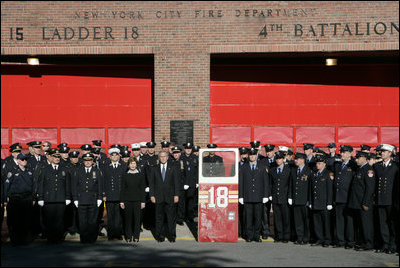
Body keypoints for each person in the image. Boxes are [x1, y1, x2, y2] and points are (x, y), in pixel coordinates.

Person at [37, 149, 71, 243]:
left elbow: (67, 184)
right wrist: (40, 197)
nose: (57, 159)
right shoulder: (44, 169)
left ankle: (59, 238)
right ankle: (51, 238)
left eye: (58, 157)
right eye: (55, 157)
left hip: (61, 198)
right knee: (49, 220)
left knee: (59, 220)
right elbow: (41, 184)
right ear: (51, 157)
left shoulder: (64, 169)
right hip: (49, 199)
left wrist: (67, 197)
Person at [71, 153, 104, 243]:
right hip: (81, 200)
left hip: (93, 200)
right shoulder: (78, 171)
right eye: (86, 160)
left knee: (92, 221)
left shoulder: (97, 171)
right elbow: (74, 186)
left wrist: (100, 198)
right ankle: (84, 239)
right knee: (82, 221)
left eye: (89, 160)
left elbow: (100, 186)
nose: (88, 162)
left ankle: (92, 238)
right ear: (83, 161)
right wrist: (75, 199)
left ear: (92, 161)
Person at [239, 148, 269, 242]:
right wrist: (241, 196)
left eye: (254, 155)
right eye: (250, 155)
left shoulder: (262, 167)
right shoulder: (244, 167)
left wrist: (265, 195)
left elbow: (265, 182)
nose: (252, 156)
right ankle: (249, 236)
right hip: (247, 196)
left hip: (258, 196)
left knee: (258, 218)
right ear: (248, 156)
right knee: (248, 218)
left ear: (256, 156)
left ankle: (256, 236)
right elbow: (241, 182)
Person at [4, 153, 35, 245]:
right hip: (16, 199)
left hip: (27, 199)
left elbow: (33, 186)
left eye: (25, 159)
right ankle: (15, 239)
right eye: (22, 159)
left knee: (26, 220)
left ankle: (25, 239)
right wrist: (5, 199)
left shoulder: (30, 172)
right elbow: (7, 186)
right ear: (17, 161)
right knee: (15, 220)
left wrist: (33, 198)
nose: (24, 161)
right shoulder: (12, 172)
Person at [149, 151, 180, 242]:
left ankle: (172, 236)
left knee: (171, 218)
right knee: (159, 218)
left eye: (164, 156)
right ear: (159, 158)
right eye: (161, 157)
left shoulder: (173, 168)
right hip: (158, 197)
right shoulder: (154, 168)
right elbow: (152, 183)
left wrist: (176, 195)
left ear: (167, 157)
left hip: (170, 197)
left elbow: (176, 183)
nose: (163, 158)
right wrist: (152, 195)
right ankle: (159, 236)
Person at [348, 151, 375, 251]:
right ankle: (363, 242)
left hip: (364, 203)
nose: (356, 160)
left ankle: (368, 243)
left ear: (364, 158)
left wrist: (366, 202)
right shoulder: (360, 169)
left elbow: (370, 188)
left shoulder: (368, 170)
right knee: (361, 224)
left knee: (366, 224)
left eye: (358, 158)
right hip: (357, 202)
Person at [374, 144, 398, 254]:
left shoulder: (395, 167)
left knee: (392, 224)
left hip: (391, 200)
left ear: (389, 153)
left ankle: (393, 245)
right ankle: (385, 244)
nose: (382, 153)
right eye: (381, 151)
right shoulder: (378, 166)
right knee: (382, 223)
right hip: (380, 199)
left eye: (384, 151)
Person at [333, 145, 357, 249]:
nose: (341, 154)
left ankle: (350, 241)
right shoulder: (338, 165)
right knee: (339, 220)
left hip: (348, 197)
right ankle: (340, 240)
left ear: (350, 153)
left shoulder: (353, 165)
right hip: (339, 197)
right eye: (341, 152)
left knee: (349, 221)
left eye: (344, 152)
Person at [101, 147, 126, 240]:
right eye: (112, 155)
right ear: (110, 157)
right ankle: (111, 234)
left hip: (120, 195)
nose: (114, 157)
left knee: (119, 217)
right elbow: (103, 182)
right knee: (110, 217)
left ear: (119, 156)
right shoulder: (106, 167)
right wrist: (103, 194)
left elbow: (125, 182)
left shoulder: (123, 166)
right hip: (109, 196)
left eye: (116, 155)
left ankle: (118, 234)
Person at [120, 157, 146, 243]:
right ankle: (128, 236)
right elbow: (122, 189)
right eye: (131, 163)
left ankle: (136, 236)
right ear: (128, 165)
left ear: (136, 164)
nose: (133, 165)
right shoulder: (125, 175)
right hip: (127, 200)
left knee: (137, 220)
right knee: (128, 219)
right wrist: (122, 201)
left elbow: (143, 189)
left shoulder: (140, 175)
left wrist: (143, 201)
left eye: (134, 163)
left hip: (138, 200)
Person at [309, 154, 333, 247]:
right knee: (317, 222)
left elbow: (330, 190)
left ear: (324, 164)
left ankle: (327, 239)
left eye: (319, 163)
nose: (317, 165)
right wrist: (310, 201)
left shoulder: (328, 174)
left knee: (326, 223)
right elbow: (311, 189)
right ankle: (319, 238)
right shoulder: (314, 173)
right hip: (316, 202)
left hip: (324, 203)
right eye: (317, 163)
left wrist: (329, 203)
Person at [289, 152, 311, 245]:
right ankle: (299, 237)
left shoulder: (308, 171)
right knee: (298, 221)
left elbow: (310, 187)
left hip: (304, 200)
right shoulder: (294, 171)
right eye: (295, 159)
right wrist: (290, 197)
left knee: (306, 220)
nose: (295, 161)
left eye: (297, 159)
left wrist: (309, 200)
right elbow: (291, 185)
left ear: (302, 160)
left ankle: (306, 238)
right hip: (296, 200)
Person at [269, 151, 291, 243]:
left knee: (285, 218)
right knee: (277, 218)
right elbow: (271, 184)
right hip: (275, 197)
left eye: (280, 159)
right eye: (277, 159)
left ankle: (286, 236)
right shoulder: (273, 170)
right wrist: (270, 194)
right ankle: (278, 236)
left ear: (283, 159)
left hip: (285, 197)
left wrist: (290, 196)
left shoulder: (288, 169)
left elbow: (290, 184)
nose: (278, 160)